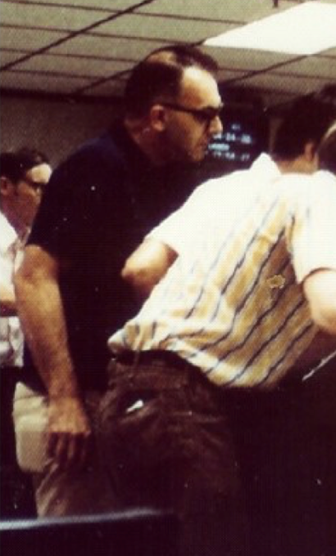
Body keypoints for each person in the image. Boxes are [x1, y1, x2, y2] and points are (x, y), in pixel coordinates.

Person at [94, 112, 336, 556]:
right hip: (179, 398)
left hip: (136, 394)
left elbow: (292, 339)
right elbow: (335, 310)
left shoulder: (269, 197)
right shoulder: (322, 199)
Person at [12, 44, 222, 517]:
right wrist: (64, 400)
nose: (218, 129)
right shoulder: (97, 166)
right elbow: (34, 279)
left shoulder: (177, 180)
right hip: (71, 399)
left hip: (121, 400)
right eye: (206, 115)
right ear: (158, 116)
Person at [122, 83, 336, 298]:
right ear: (314, 153)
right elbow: (143, 270)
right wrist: (199, 350)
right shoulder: (238, 192)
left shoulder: (238, 194)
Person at [0, 148, 50, 516]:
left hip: (19, 374)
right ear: (5, 186)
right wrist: (44, 299)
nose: (47, 198)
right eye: (38, 187)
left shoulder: (36, 239)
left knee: (20, 474)